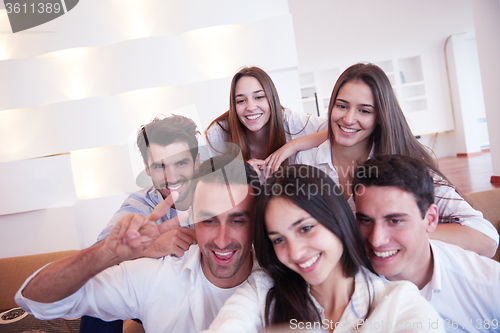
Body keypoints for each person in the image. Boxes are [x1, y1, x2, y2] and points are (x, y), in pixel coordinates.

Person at [265, 63, 498, 257]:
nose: (348, 118)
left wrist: (398, 234)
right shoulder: (302, 163)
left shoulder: (404, 167)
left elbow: (485, 238)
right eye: (342, 106)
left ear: (379, 117)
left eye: (364, 111)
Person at [15, 155, 260, 333]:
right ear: (193, 215)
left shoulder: (282, 280)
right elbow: (37, 300)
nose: (222, 239)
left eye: (238, 221)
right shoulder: (157, 276)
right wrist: (107, 254)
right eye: (208, 221)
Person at [205, 165, 444, 333]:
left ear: (336, 218)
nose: (296, 252)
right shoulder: (263, 292)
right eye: (278, 240)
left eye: (306, 228)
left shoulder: (399, 305)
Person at [80, 114, 201, 332]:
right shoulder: (142, 203)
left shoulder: (220, 193)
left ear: (197, 160)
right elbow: (97, 256)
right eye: (160, 166)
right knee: (101, 281)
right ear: (146, 168)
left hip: (209, 291)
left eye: (181, 162)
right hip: (157, 296)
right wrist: (151, 246)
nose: (172, 177)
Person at [352, 154, 500, 332]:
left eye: (395, 221)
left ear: (431, 219)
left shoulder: (489, 285)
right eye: (365, 220)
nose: (376, 240)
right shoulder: (345, 292)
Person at [203, 66, 327, 175]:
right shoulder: (219, 132)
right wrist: (238, 172)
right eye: (241, 100)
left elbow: (335, 129)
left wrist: (291, 147)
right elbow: (198, 176)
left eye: (259, 97)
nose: (251, 107)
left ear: (271, 98)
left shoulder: (290, 120)